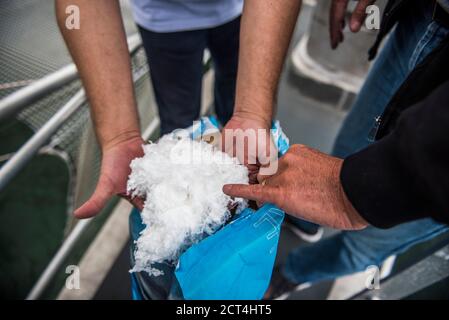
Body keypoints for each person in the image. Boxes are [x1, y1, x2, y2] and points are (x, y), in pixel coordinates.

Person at [221, 0, 449, 298]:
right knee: (346, 152)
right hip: (424, 18)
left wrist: (359, 187)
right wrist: (251, 114)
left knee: (366, 240)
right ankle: (305, 218)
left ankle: (291, 273)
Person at [55, 0, 242, 218]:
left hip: (241, 10)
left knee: (236, 107)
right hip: (164, 20)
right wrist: (120, 136)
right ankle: (183, 206)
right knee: (178, 127)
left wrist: (253, 113)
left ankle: (240, 183)